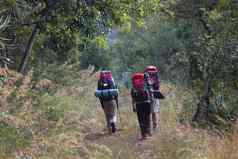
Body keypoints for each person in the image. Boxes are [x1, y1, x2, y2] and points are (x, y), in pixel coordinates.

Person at [131, 73, 152, 140]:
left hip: (138, 104)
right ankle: (149, 131)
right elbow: (150, 94)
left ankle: (143, 135)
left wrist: (133, 106)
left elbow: (133, 98)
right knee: (147, 117)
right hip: (147, 103)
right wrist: (150, 101)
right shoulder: (145, 85)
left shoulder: (133, 87)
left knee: (141, 119)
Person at [144, 65, 162, 132]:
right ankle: (155, 128)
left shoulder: (145, 77)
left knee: (148, 113)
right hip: (154, 96)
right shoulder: (156, 78)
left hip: (146, 97)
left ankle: (149, 129)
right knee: (154, 113)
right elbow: (158, 87)